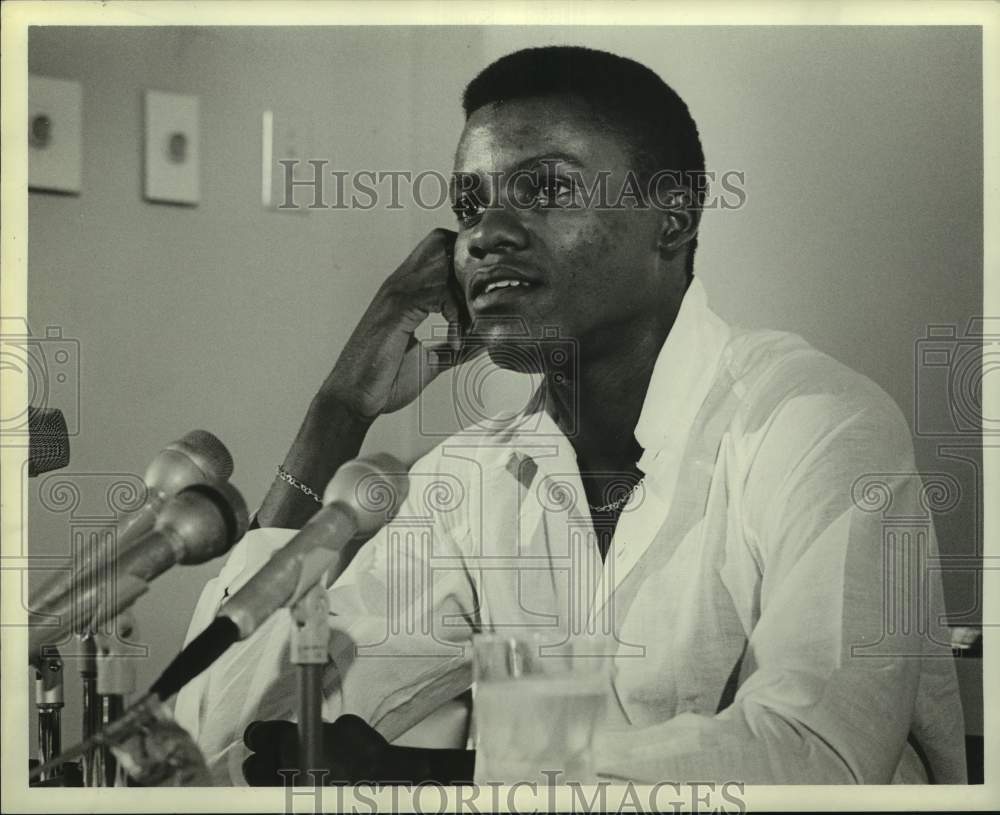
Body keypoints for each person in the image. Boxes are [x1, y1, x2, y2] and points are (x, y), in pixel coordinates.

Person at [173, 45, 966, 785]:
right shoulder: (476, 477)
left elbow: (818, 758)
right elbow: (213, 733)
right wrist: (338, 412)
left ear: (674, 215)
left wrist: (442, 777)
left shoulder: (815, 426)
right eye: (469, 204)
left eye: (547, 189)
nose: (486, 235)